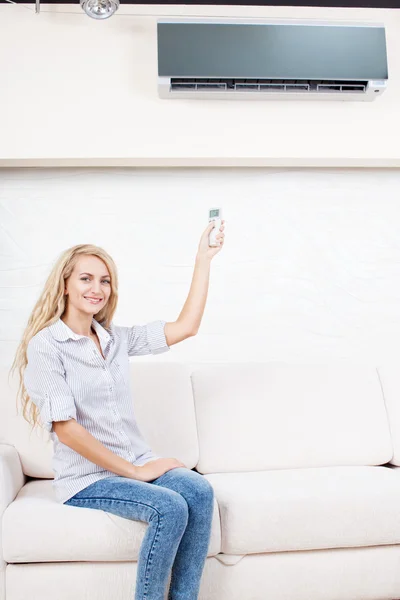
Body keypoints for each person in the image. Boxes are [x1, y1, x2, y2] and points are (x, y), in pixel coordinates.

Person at [9, 219, 225, 600]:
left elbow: (186, 326)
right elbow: (66, 429)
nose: (97, 289)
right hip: (87, 479)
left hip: (133, 462)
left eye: (105, 281)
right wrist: (137, 472)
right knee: (170, 506)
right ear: (64, 284)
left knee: (198, 490)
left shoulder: (116, 340)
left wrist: (203, 258)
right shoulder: (47, 346)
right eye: (86, 279)